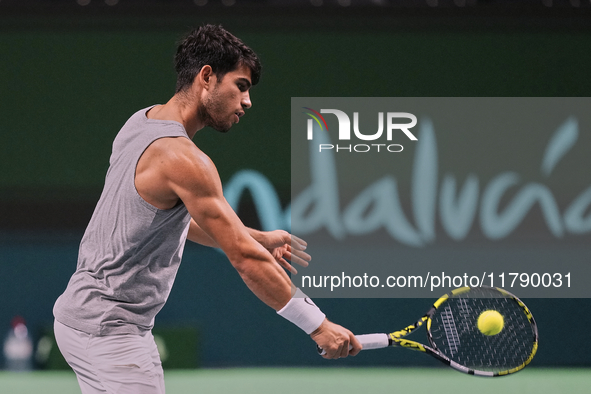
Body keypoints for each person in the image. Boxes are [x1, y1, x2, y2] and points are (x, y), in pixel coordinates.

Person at [53, 24, 361, 394]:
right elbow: (244, 259)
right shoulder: (185, 160)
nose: (247, 102)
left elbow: (167, 220)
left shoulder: (140, 121)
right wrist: (318, 325)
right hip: (108, 329)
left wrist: (258, 236)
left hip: (92, 318)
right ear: (206, 77)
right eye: (241, 86)